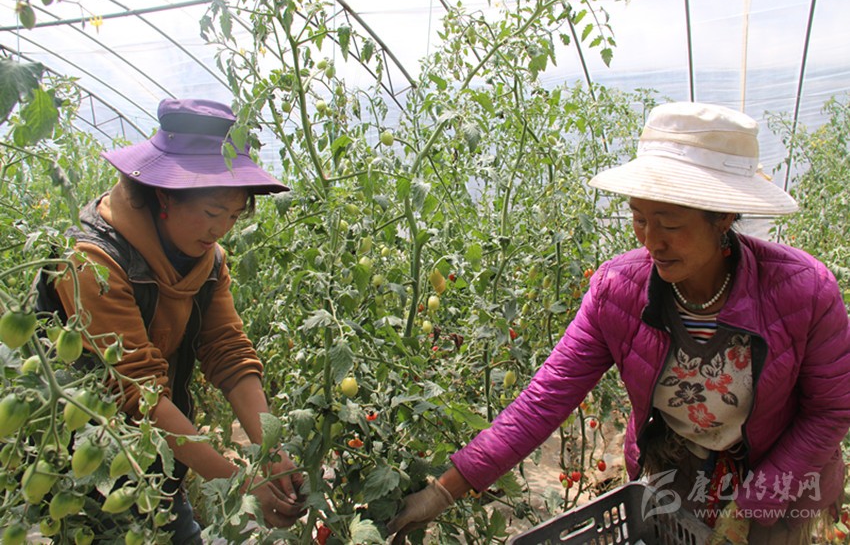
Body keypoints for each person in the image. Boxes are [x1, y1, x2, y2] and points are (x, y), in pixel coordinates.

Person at [387, 101, 850, 544]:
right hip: (674, 475)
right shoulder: (618, 291)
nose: (651, 242)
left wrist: (752, 506)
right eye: (639, 218)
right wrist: (445, 490)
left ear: (723, 216)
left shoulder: (804, 291)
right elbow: (544, 399)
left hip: (779, 479)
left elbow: (830, 411)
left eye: (670, 225)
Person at [42, 99, 304, 543]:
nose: (221, 229)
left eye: (234, 215)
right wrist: (237, 483)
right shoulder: (91, 261)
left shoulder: (208, 262)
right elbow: (136, 390)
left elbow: (228, 351)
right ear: (164, 194)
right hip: (84, 463)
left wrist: (271, 451)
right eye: (212, 212)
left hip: (154, 460)